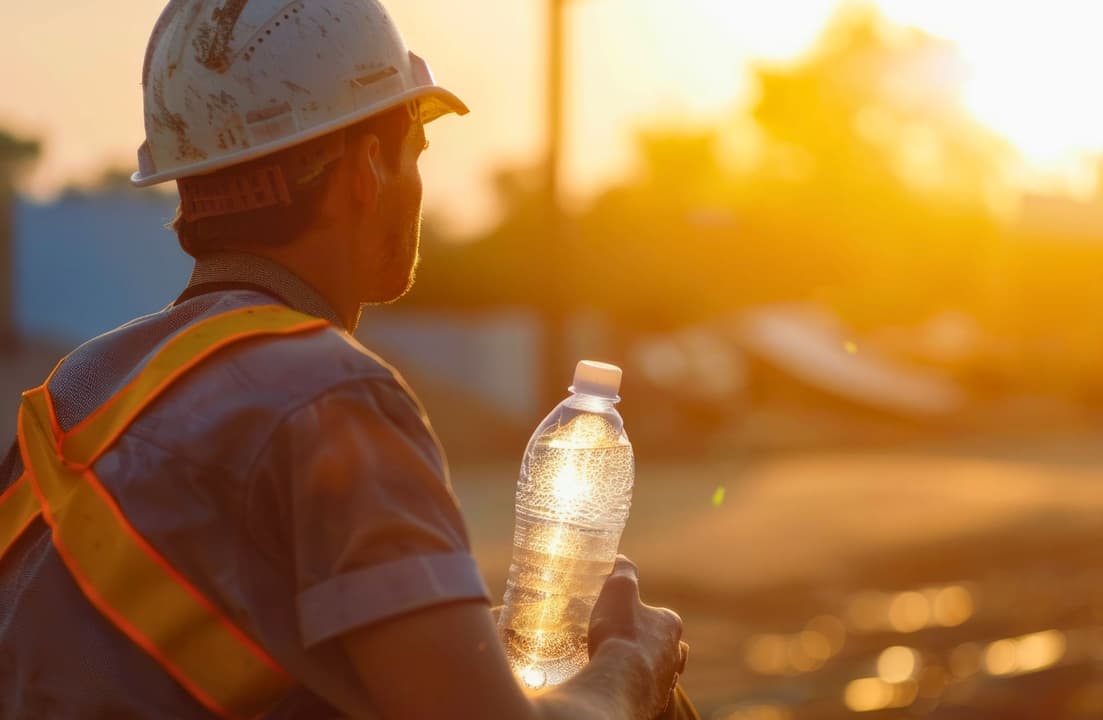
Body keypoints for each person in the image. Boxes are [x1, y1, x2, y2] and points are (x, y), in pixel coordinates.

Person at [0, 1, 695, 718]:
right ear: (368, 166)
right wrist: (630, 666)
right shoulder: (330, 395)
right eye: (415, 152)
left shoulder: (75, 392)